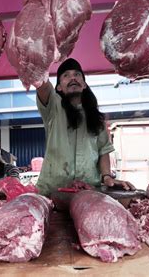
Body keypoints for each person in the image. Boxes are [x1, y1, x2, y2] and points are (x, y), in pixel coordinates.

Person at [35, 58, 135, 196]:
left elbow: (103, 150)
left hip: (88, 192)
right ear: (59, 87)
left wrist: (106, 176)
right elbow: (42, 84)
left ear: (84, 85)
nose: (73, 78)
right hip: (51, 193)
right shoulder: (53, 107)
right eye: (66, 76)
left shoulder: (96, 118)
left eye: (77, 74)